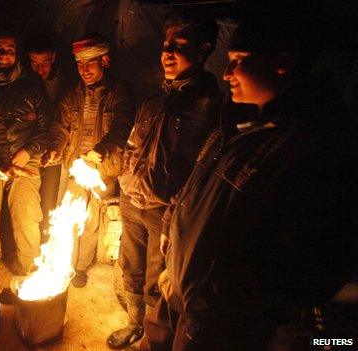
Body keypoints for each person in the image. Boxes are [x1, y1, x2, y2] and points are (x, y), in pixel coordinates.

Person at [146, 18, 355, 351]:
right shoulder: (235, 122)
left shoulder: (312, 148)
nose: (227, 73)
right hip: (176, 291)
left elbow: (319, 266)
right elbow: (193, 187)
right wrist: (171, 234)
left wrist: (223, 302)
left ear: (283, 63)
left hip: (216, 324)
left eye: (239, 61)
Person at [109, 11, 222, 349]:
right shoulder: (154, 100)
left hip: (165, 212)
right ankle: (133, 323)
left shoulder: (208, 106)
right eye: (165, 45)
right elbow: (132, 147)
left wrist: (175, 211)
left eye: (179, 45)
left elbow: (199, 172)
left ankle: (149, 331)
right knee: (130, 266)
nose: (167, 53)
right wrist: (123, 183)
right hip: (133, 201)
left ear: (203, 51)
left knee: (158, 280)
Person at [43, 33, 135, 288]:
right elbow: (59, 126)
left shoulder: (119, 92)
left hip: (101, 169)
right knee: (67, 217)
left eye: (90, 64)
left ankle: (81, 266)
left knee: (92, 222)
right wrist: (54, 147)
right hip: (74, 166)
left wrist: (100, 152)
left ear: (104, 61)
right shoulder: (71, 94)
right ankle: (65, 263)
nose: (84, 70)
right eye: (80, 65)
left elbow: (122, 126)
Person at [0, 31, 48, 281]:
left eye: (10, 50)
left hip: (24, 156)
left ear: (17, 54)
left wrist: (28, 151)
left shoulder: (32, 84)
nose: (4, 55)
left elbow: (45, 128)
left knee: (26, 209)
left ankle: (30, 261)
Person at [25, 33, 76, 236]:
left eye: (45, 62)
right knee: (28, 205)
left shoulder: (65, 84)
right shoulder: (24, 82)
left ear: (53, 58)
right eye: (34, 63)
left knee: (50, 201)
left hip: (54, 155)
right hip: (29, 153)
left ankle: (48, 242)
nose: (40, 69)